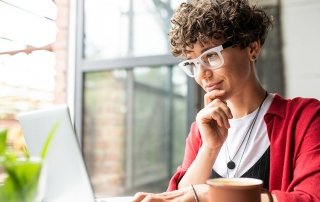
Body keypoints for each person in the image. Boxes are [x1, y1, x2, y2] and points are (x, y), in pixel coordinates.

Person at [133, 0, 320, 201]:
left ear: (252, 48)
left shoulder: (305, 118)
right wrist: (210, 147)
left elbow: (311, 198)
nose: (202, 74)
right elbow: (178, 197)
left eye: (211, 56)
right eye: (193, 64)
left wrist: (212, 195)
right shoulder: (201, 129)